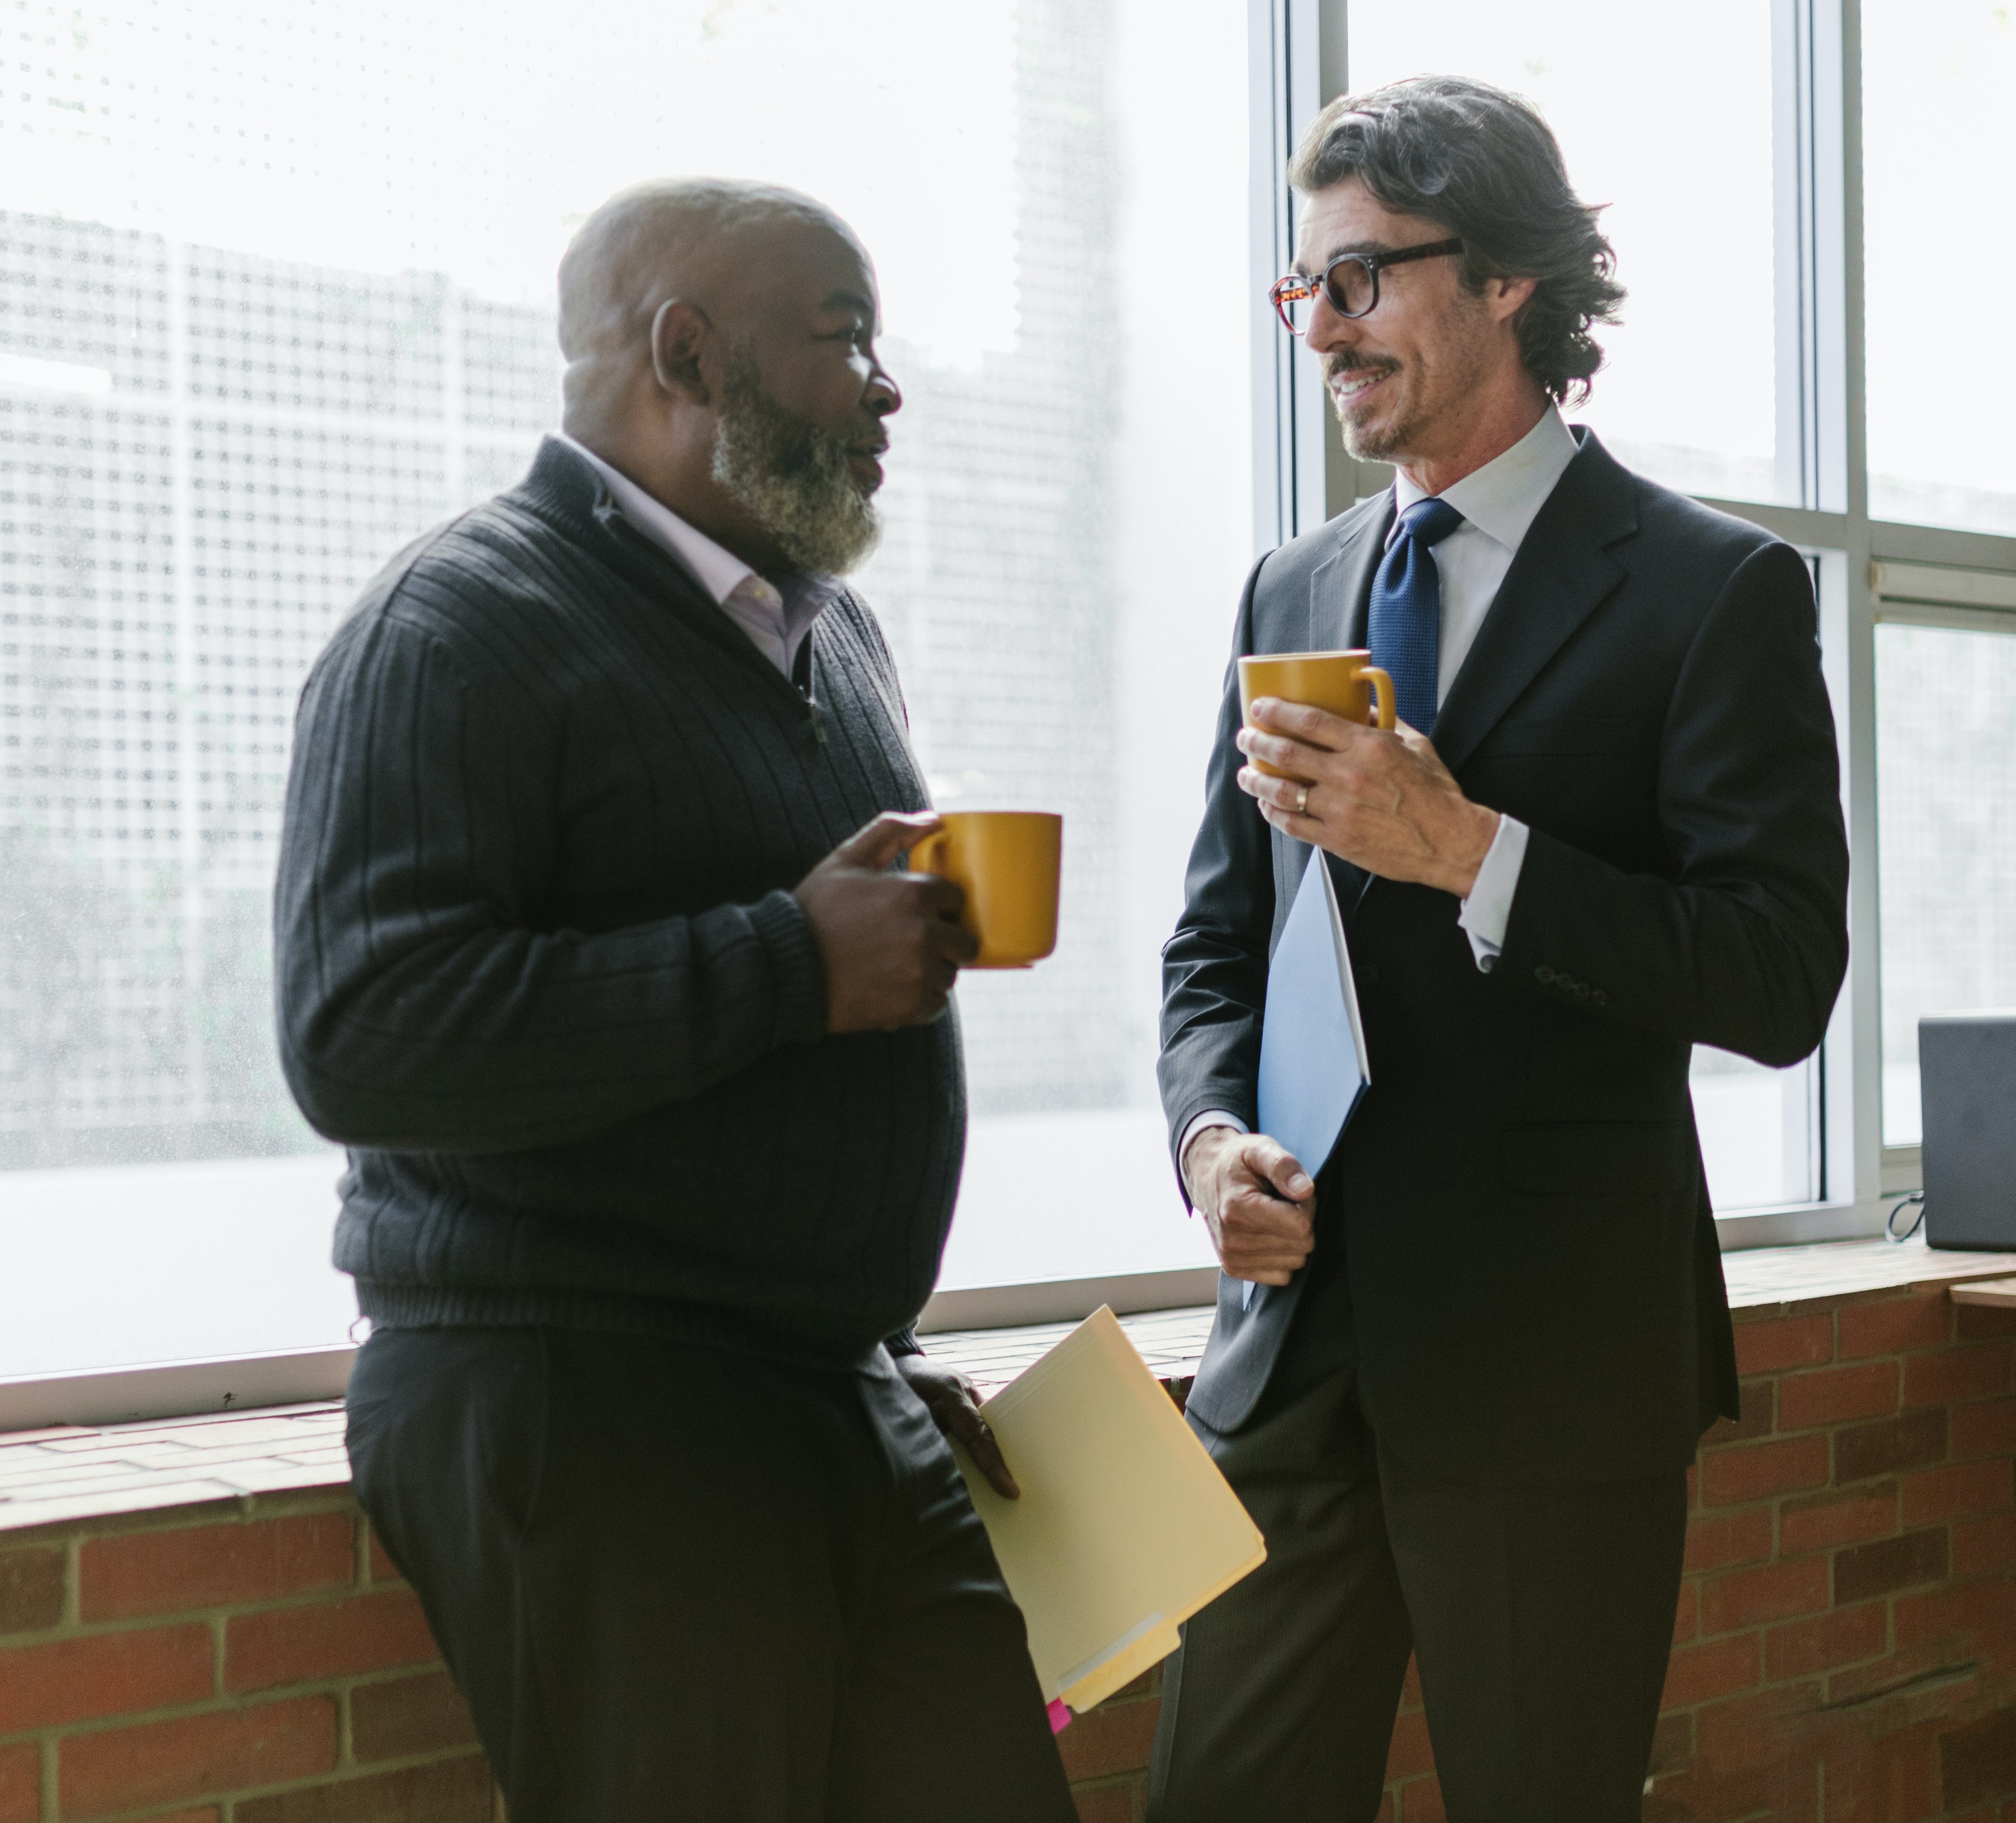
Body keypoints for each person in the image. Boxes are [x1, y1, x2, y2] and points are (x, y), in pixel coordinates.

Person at [273, 178, 1077, 1823]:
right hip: (597, 1411)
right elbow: (363, 1034)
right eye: (843, 337)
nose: (887, 387)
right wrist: (788, 961)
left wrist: (860, 1320)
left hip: (826, 1396)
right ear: (688, 354)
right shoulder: (454, 627)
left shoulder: (827, 633)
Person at [1151, 77, 1849, 1822]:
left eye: (1363, 278)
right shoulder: (1285, 590)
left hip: (1549, 1378)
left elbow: (1775, 978)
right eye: (1301, 291)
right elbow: (1212, 941)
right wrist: (1204, 1142)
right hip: (1288, 1353)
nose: (1324, 326)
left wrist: (1468, 852)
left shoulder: (1711, 592)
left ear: (1511, 280)